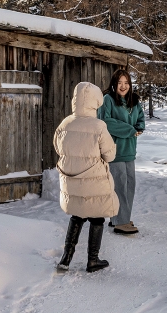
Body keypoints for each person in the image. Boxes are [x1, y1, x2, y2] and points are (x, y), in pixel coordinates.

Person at [54, 81, 120, 273]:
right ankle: (93, 260)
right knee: (97, 218)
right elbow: (110, 155)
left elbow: (59, 149)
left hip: (72, 180)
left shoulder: (65, 123)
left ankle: (66, 259)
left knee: (77, 216)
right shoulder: (99, 126)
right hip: (94, 181)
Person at [97, 69, 145, 235]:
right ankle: (121, 222)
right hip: (114, 150)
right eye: (120, 83)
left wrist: (139, 128)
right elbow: (105, 122)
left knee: (130, 185)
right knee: (119, 185)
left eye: (126, 83)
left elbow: (140, 118)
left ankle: (121, 218)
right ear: (114, 84)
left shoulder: (134, 101)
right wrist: (129, 129)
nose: (123, 86)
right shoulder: (107, 100)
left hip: (130, 149)